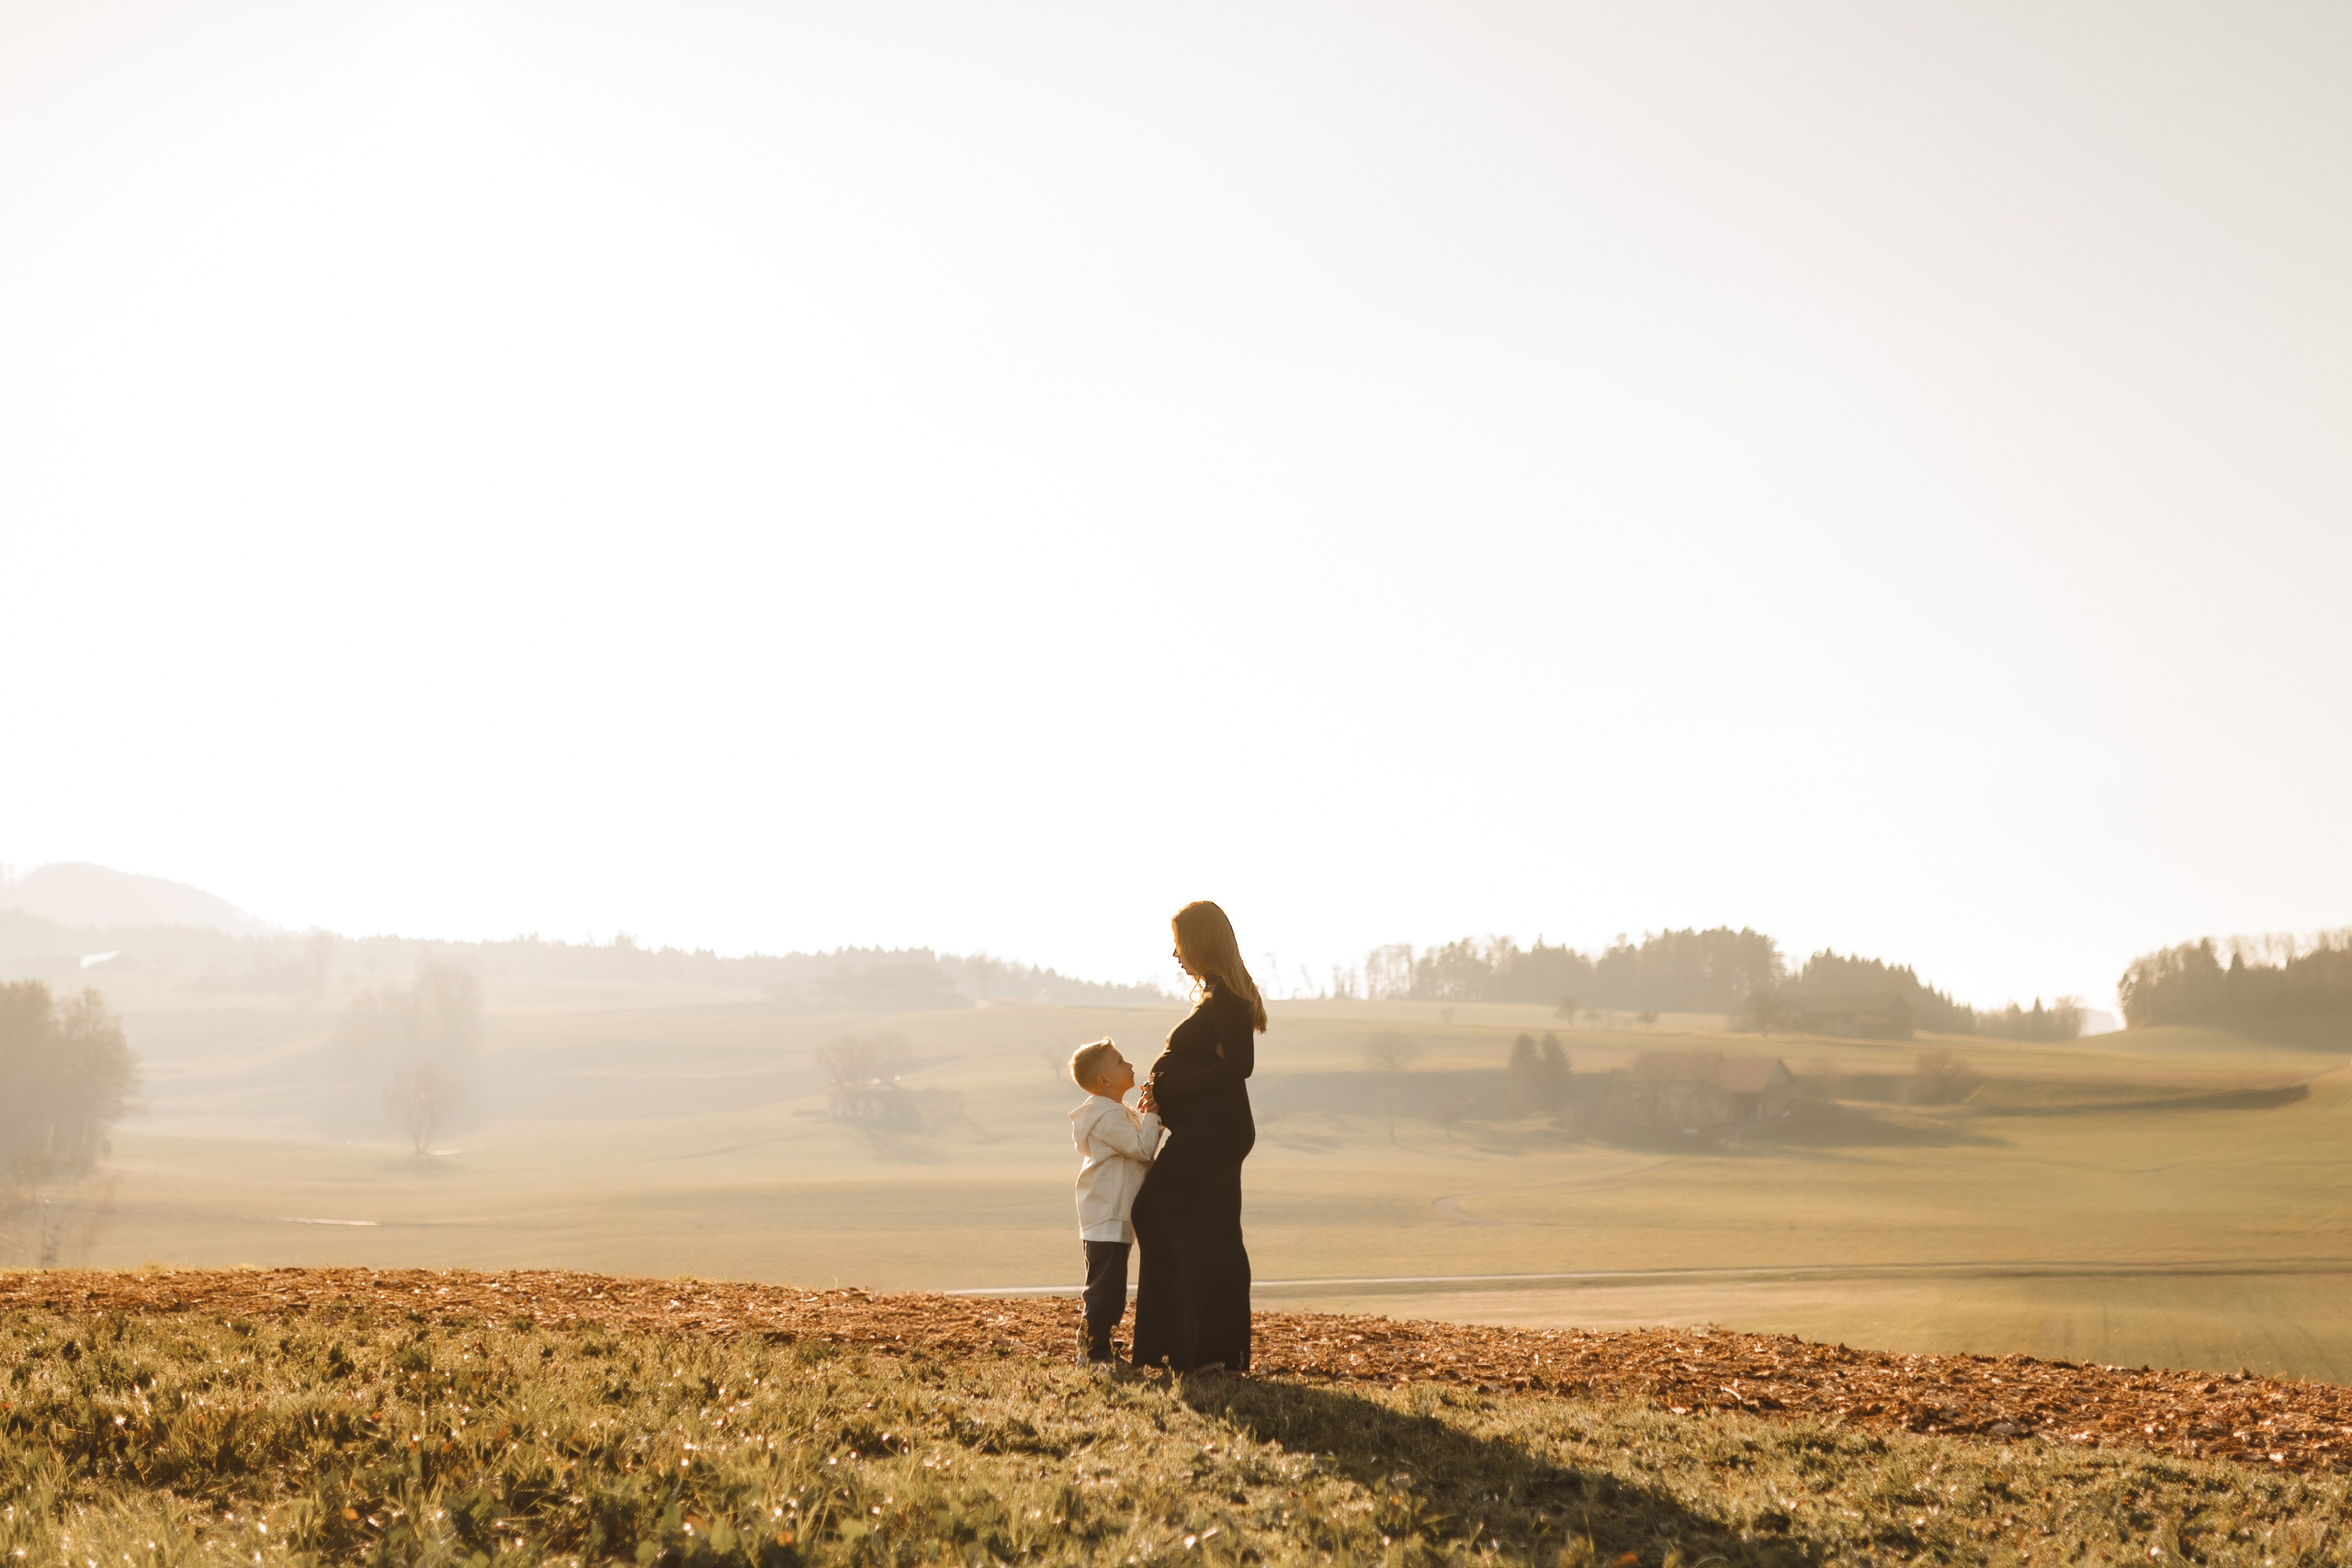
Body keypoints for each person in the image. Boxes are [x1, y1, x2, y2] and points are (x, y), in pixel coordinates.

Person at [1130, 899, 1266, 1374]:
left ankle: (1173, 1349)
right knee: (1214, 1234)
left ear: (1200, 943)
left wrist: (1169, 1086)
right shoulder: (1218, 994)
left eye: (1179, 946)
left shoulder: (1227, 997)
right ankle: (1213, 1355)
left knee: (1154, 1212)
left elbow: (1239, 1065)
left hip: (1217, 1133)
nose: (1175, 956)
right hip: (1213, 1130)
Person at [1067, 1038, 1162, 1367]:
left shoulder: (1115, 1113)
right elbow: (1141, 1148)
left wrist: (1147, 1113)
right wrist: (1153, 1113)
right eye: (1121, 1061)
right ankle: (1095, 1356)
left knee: (1108, 1288)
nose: (1131, 1065)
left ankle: (1096, 1346)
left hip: (1110, 1211)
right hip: (1107, 1213)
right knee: (1105, 1291)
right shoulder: (1107, 1119)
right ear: (1104, 1080)